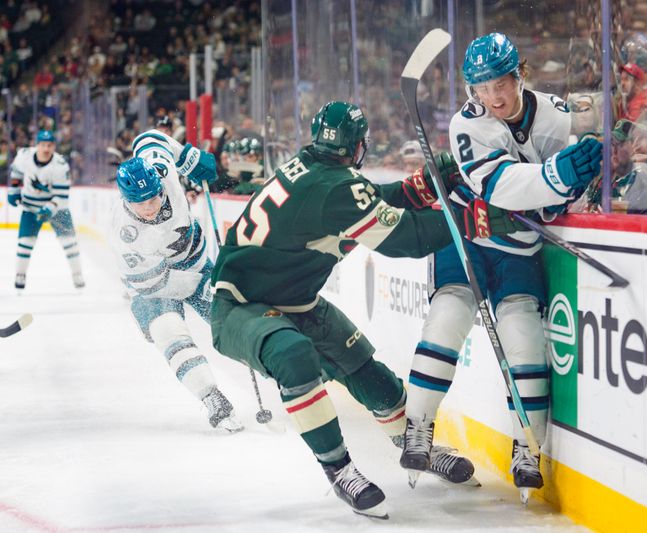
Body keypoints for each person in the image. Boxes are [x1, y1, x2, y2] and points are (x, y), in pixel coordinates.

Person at [209, 100, 527, 519]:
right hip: (242, 307)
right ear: (357, 146)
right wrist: (473, 220)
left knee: (366, 370)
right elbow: (404, 239)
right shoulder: (334, 187)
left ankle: (418, 450)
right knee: (292, 355)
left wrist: (420, 188)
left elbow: (369, 203)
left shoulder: (317, 173)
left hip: (295, 302)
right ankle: (339, 469)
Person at [399, 32, 601, 503]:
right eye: (482, 88)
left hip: (519, 244)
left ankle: (527, 449)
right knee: (447, 317)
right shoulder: (466, 124)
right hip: (467, 236)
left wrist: (566, 190)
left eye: (501, 83)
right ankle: (419, 427)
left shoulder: (556, 114)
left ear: (519, 74)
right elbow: (499, 186)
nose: (494, 97)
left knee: (524, 336)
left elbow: (562, 196)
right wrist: (556, 180)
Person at [109, 129, 243, 433]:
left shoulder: (161, 167)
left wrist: (189, 158)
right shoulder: (123, 233)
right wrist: (198, 287)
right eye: (141, 202)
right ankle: (211, 396)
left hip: (196, 263)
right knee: (170, 332)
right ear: (125, 199)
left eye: (154, 195)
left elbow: (149, 136)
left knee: (235, 324)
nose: (151, 205)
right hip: (153, 288)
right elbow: (156, 286)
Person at [7, 129, 84, 290]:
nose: (46, 149)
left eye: (49, 145)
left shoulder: (60, 165)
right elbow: (16, 173)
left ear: (54, 146)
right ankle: (20, 275)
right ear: (37, 145)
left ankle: (77, 274)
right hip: (30, 208)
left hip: (57, 210)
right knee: (25, 243)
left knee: (70, 243)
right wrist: (13, 191)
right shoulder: (24, 156)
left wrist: (49, 209)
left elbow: (62, 196)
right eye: (43, 145)